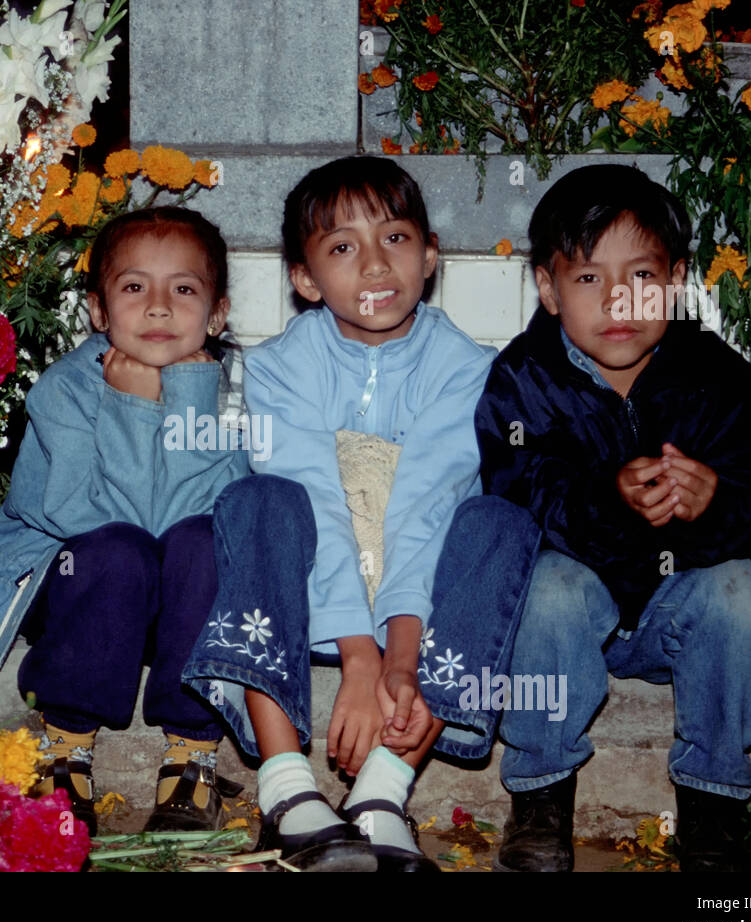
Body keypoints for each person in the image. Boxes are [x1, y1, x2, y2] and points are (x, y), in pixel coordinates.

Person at [183, 156, 538, 872]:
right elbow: (310, 488)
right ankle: (287, 791)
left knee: (500, 521)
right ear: (306, 279)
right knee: (258, 498)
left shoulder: (466, 366)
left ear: (430, 254)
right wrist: (358, 656)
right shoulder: (282, 363)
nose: (375, 266)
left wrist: (398, 659)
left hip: (420, 603)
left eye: (396, 239)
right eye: (343, 247)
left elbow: (428, 505)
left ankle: (382, 791)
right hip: (309, 596)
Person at [476, 164, 751, 872]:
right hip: (569, 617)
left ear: (677, 280)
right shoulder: (520, 381)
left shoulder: (722, 379)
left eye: (642, 277)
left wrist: (718, 499)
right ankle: (541, 797)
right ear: (547, 286)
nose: (617, 300)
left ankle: (713, 808)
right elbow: (514, 502)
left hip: (677, 613)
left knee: (742, 592)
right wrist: (606, 497)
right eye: (589, 278)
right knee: (544, 582)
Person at [0, 207, 249, 836]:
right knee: (116, 549)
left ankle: (191, 755)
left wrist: (185, 398)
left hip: (183, 596)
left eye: (183, 289)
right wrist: (134, 409)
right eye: (134, 287)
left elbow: (209, 514)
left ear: (216, 314)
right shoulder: (67, 391)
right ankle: (66, 746)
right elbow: (87, 517)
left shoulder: (233, 395)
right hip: (82, 585)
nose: (158, 307)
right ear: (99, 312)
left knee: (205, 542)